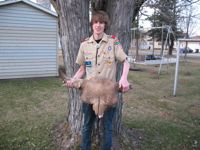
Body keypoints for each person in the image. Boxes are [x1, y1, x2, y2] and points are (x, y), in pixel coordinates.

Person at [66, 10, 130, 150]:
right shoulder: (84, 45)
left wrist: (124, 78)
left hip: (108, 93)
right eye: (95, 22)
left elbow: (126, 61)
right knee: (87, 126)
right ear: (92, 25)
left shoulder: (113, 42)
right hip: (89, 93)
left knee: (107, 128)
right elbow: (82, 68)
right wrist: (73, 79)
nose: (98, 25)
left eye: (101, 22)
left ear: (105, 25)